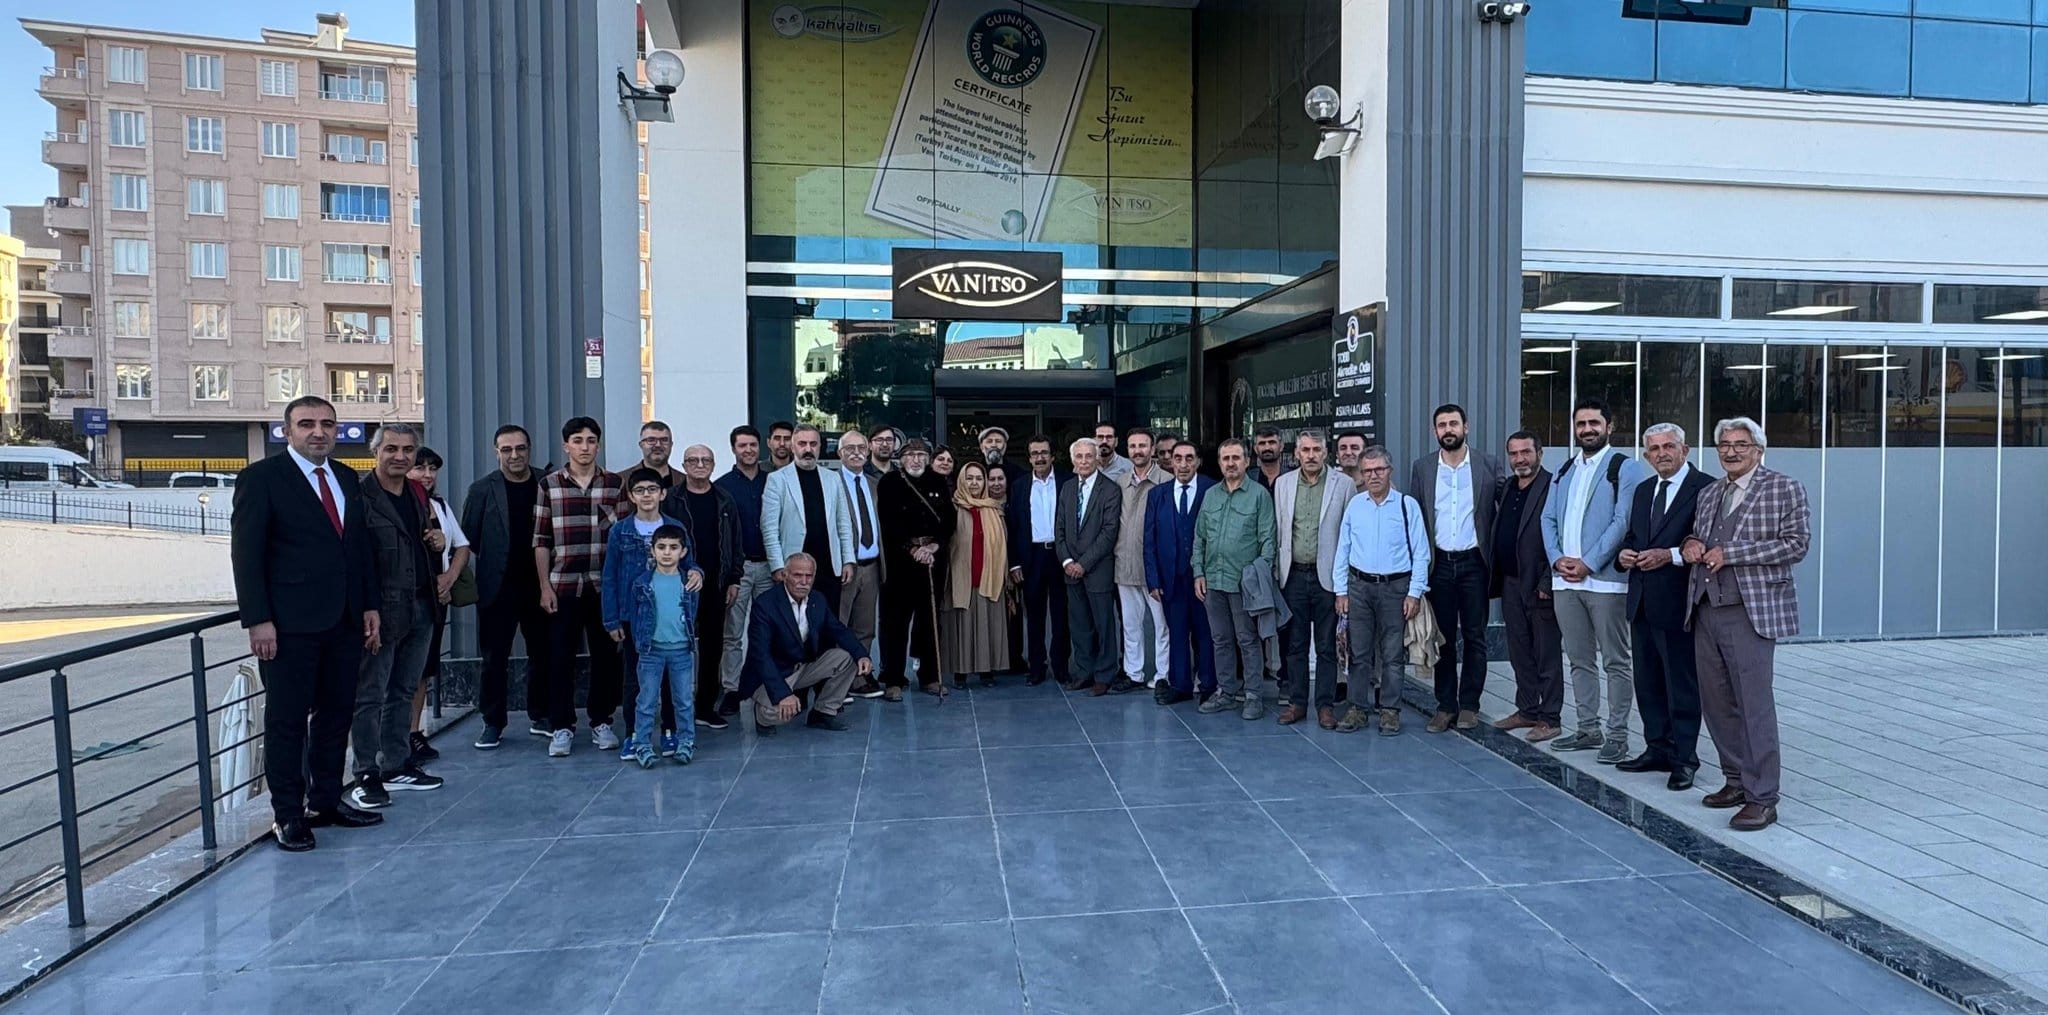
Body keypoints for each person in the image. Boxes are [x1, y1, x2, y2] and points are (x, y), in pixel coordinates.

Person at [231, 395, 383, 851]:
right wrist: (258, 620)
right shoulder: (261, 479)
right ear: (287, 430)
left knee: (336, 714)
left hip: (344, 620)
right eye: (307, 424)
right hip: (288, 625)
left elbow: (357, 549)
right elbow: (246, 555)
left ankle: (327, 801)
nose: (319, 432)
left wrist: (369, 605)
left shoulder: (346, 477)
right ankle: (288, 814)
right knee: (287, 720)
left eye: (327, 424)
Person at [1682, 417, 1810, 832]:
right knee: (1717, 703)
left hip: (1750, 611)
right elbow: (1697, 536)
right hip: (1705, 608)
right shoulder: (1709, 493)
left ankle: (1763, 797)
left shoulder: (1783, 488)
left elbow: (1796, 545)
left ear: (1758, 450)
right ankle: (1735, 779)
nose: (1731, 451)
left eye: (1740, 444)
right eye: (1724, 444)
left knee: (1754, 706)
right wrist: (1691, 544)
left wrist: (1732, 553)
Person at [1540, 399, 1649, 763]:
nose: (1587, 429)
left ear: (1609, 426)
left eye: (1594, 423)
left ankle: (1617, 735)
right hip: (1565, 582)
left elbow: (1622, 521)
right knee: (1578, 659)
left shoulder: (1625, 468)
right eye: (1581, 423)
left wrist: (1589, 563)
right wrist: (1557, 559)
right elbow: (1547, 519)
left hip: (1605, 583)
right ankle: (1588, 728)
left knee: (1615, 661)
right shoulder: (1565, 469)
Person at [347, 423, 446, 809]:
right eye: (391, 448)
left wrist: (438, 540)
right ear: (375, 452)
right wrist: (365, 609)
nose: (400, 456)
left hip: (422, 604)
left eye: (407, 450)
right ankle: (366, 772)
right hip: (381, 611)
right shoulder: (359, 496)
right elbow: (354, 559)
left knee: (404, 689)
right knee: (370, 694)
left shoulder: (417, 492)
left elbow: (424, 538)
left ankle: (396, 764)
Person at [1616, 423, 1714, 790]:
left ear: (1684, 450)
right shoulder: (1644, 490)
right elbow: (1634, 536)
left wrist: (1669, 555)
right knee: (1648, 682)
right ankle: (1657, 748)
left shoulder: (1705, 488)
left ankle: (1684, 758)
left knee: (1681, 684)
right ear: (1646, 455)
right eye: (1654, 449)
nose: (1662, 453)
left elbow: (1707, 541)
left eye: (1669, 446)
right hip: (1642, 601)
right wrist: (1624, 554)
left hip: (1680, 603)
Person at [534, 416, 627, 758]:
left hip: (604, 586)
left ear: (598, 445)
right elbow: (541, 539)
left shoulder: (615, 484)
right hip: (563, 585)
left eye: (590, 440)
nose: (584, 447)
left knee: (606, 658)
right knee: (560, 659)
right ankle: (562, 726)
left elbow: (623, 538)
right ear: (566, 446)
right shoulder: (549, 485)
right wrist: (544, 587)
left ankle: (601, 721)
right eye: (577, 440)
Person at [1411, 404, 1506, 733]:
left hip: (1474, 564)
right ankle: (1445, 706)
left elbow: (1504, 508)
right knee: (1443, 638)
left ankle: (1469, 706)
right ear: (1434, 431)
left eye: (1453, 423)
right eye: (1442, 425)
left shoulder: (1487, 465)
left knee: (1475, 636)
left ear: (1466, 427)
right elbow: (1418, 519)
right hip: (1439, 563)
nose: (1448, 429)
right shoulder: (1423, 468)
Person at [461, 425, 550, 750]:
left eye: (520, 448)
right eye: (507, 449)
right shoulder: (482, 489)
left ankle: (541, 715)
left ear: (529, 449)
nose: (515, 455)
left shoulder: (547, 483)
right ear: (496, 452)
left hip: (541, 586)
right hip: (497, 588)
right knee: (494, 658)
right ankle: (493, 722)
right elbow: (469, 537)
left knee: (543, 653)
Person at [606, 467, 703, 757]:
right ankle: (634, 734)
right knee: (635, 680)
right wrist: (612, 619)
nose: (646, 495)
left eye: (652, 489)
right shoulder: (621, 530)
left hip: (670, 618)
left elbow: (690, 562)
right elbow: (610, 576)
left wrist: (697, 572)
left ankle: (670, 731)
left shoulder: (675, 527)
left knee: (674, 683)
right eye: (640, 490)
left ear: (662, 494)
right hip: (634, 617)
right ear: (631, 496)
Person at [1332, 447, 1430, 735]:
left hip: (1395, 588)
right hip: (1359, 587)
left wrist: (1414, 593)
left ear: (1390, 471)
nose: (1373, 476)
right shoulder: (1355, 506)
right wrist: (1340, 591)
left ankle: (1390, 710)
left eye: (1379, 470)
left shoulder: (1407, 506)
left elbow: (1421, 553)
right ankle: (1357, 709)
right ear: (1362, 475)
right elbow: (1343, 549)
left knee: (1392, 654)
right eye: (1368, 471)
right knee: (1359, 653)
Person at [1193, 437, 1279, 718]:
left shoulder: (1259, 495)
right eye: (1225, 458)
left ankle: (1253, 695)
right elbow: (1199, 537)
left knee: (1248, 639)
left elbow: (1268, 541)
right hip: (1213, 581)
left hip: (1244, 583)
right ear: (1219, 463)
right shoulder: (1211, 495)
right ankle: (1227, 692)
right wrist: (1198, 572)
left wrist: (1257, 577)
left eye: (1236, 458)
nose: (1230, 463)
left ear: (1246, 461)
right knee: (1220, 639)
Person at [1489, 432, 1566, 743]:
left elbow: (1560, 534)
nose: (1520, 459)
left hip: (1539, 583)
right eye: (1514, 453)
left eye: (1526, 452)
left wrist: (1548, 580)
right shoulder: (1509, 486)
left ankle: (1550, 717)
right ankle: (1527, 709)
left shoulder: (1553, 486)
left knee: (1546, 653)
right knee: (1519, 650)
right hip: (1510, 581)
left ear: (1539, 453)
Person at [1274, 430, 1353, 728]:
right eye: (1305, 450)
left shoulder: (1343, 485)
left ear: (1325, 452)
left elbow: (1349, 534)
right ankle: (1297, 703)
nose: (1310, 455)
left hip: (1328, 577)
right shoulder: (1283, 484)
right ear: (1296, 454)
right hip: (1293, 574)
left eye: (1316, 450)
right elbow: (1279, 529)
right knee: (1295, 644)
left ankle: (1325, 706)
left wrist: (1345, 583)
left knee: (1326, 646)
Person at [741, 552, 870, 734]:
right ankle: (762, 716)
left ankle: (822, 713)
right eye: (797, 575)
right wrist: (782, 694)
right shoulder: (765, 604)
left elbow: (838, 629)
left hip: (802, 667)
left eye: (809, 576)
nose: (803, 581)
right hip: (773, 673)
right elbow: (760, 655)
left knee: (848, 658)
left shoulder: (817, 599)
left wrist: (861, 654)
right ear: (785, 575)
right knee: (782, 714)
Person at [665, 445, 743, 730]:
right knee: (675, 647)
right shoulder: (671, 499)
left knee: (712, 648)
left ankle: (705, 708)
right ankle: (674, 710)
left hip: (716, 584)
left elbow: (735, 541)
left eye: (706, 460)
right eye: (693, 460)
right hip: (678, 585)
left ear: (713, 464)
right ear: (684, 464)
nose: (700, 464)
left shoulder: (724, 498)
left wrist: (734, 579)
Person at [403, 446, 470, 767]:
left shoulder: (439, 505)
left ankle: (413, 732)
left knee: (424, 669)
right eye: (420, 468)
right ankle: (394, 737)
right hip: (401, 601)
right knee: (398, 671)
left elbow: (462, 545)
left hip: (434, 601)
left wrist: (448, 578)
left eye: (432, 469)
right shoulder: (392, 504)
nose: (427, 475)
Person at [618, 525, 701, 767]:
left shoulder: (689, 582)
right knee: (646, 701)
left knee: (684, 700)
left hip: (681, 651)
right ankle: (642, 744)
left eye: (673, 547)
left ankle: (686, 741)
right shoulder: (642, 583)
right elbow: (635, 616)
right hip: (651, 652)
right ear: (652, 551)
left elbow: (693, 611)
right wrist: (641, 641)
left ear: (683, 552)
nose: (667, 552)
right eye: (661, 547)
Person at [878, 439, 953, 698]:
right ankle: (893, 679)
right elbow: (888, 523)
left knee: (929, 621)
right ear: (901, 458)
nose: (916, 460)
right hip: (900, 563)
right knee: (895, 622)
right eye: (911, 455)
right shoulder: (889, 482)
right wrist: (912, 549)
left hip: (932, 560)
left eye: (921, 454)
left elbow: (949, 520)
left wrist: (934, 546)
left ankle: (929, 677)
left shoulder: (938, 482)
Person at [1145, 441, 1217, 705]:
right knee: (1176, 632)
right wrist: (1153, 579)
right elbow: (1149, 539)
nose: (1183, 464)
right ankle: (1180, 685)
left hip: (1204, 576)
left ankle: (1208, 684)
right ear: (1171, 462)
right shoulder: (1158, 494)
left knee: (1205, 632)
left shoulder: (1212, 489)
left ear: (1198, 461)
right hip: (1170, 577)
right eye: (1178, 458)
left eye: (1189, 458)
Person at [762, 424, 855, 611]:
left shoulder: (833, 478)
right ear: (793, 446)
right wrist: (777, 566)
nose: (808, 449)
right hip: (794, 570)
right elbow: (769, 529)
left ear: (820, 446)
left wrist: (848, 560)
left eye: (813, 444)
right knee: (794, 623)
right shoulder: (777, 479)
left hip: (829, 567)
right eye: (802, 443)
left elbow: (843, 523)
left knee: (828, 622)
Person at [714, 425, 773, 717]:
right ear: (733, 449)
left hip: (771, 566)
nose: (748, 450)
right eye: (742, 446)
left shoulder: (773, 481)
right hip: (741, 569)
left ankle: (766, 684)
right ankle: (732, 689)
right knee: (733, 633)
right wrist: (731, 574)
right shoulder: (721, 486)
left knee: (769, 630)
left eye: (752, 445)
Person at [1056, 438, 1122, 694]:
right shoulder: (1067, 488)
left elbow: (1109, 532)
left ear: (1097, 459)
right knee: (1080, 625)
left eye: (1088, 456)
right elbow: (1059, 528)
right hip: (1070, 570)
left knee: (1103, 625)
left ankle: (1104, 675)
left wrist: (1083, 564)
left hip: (1098, 570)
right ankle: (1084, 672)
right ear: (1073, 460)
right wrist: (1067, 561)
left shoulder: (1110, 489)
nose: (1083, 461)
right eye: (1079, 456)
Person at [1008, 435, 1072, 687]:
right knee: (1034, 616)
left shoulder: (1067, 481)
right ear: (1029, 458)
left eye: (1044, 452)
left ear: (1052, 456)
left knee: (1061, 615)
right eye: (1034, 453)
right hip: (1031, 557)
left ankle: (1061, 666)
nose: (1039, 457)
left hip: (1060, 555)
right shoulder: (1020, 486)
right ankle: (1036, 667)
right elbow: (1013, 526)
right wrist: (1014, 563)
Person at [1112, 427, 1171, 691]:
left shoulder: (1167, 481)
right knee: (1131, 625)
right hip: (1124, 565)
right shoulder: (1120, 482)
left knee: (1162, 625)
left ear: (1152, 448)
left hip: (1155, 569)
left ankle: (1163, 674)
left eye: (1143, 445)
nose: (1138, 450)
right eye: (1133, 446)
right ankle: (1133, 673)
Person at [944, 461, 1011, 688]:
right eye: (970, 478)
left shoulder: (994, 508)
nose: (974, 483)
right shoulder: (953, 507)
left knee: (987, 623)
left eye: (979, 479)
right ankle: (960, 673)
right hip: (961, 576)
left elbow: (1004, 544)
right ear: (962, 480)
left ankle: (986, 671)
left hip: (989, 575)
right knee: (962, 625)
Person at [834, 430, 886, 689]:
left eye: (861, 448)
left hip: (872, 566)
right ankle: (836, 681)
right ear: (839, 453)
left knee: (865, 628)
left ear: (868, 452)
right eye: (850, 448)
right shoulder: (832, 483)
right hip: (846, 567)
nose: (856, 453)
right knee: (839, 625)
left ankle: (859, 678)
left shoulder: (875, 484)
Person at [980, 425, 1027, 490]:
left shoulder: (1017, 474)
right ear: (982, 447)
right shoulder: (975, 472)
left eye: (998, 441)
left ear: (1005, 446)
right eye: (989, 441)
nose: (994, 445)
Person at [633, 421, 678, 487]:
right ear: (641, 445)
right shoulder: (622, 481)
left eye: (664, 440)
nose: (658, 445)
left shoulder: (686, 481)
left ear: (671, 445)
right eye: (651, 440)